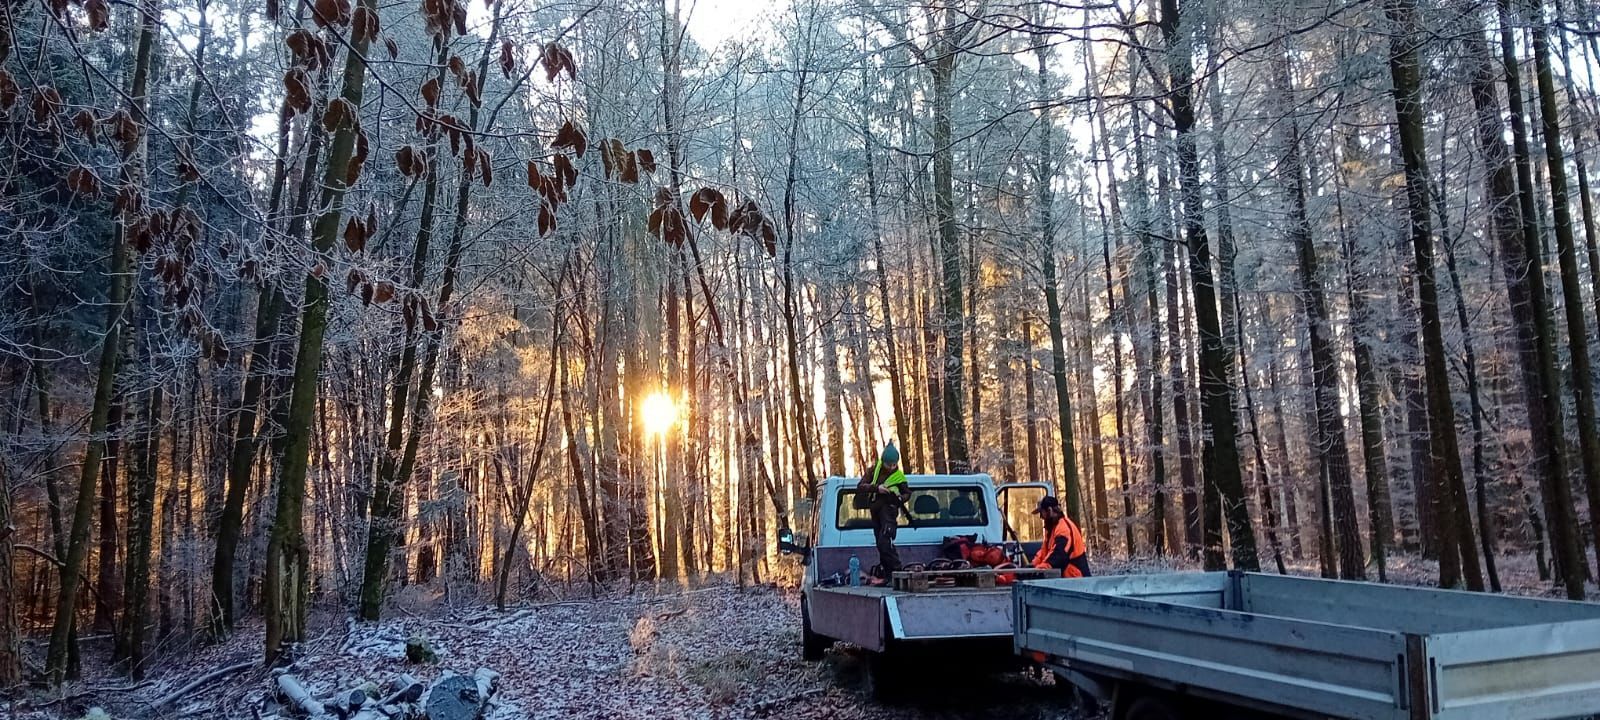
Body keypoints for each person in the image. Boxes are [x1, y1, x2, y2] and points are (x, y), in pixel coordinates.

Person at [858, 443, 909, 580]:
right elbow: (861, 486)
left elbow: (907, 493)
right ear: (883, 461)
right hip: (875, 511)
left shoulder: (899, 476)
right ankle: (888, 574)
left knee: (885, 542)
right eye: (889, 465)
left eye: (894, 465)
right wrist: (877, 488)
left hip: (890, 511)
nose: (891, 467)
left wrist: (900, 498)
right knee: (880, 545)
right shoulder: (873, 471)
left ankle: (897, 571)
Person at [1031, 495, 1090, 578]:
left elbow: (1059, 554)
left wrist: (1042, 568)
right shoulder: (1053, 529)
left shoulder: (1064, 529)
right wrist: (1033, 565)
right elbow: (1045, 551)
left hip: (1076, 578)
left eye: (1042, 513)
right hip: (1066, 578)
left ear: (1049, 510)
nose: (1041, 517)